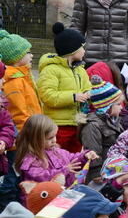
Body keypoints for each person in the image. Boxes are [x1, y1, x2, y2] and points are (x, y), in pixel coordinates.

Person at [37, 22, 92, 153]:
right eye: (82, 47)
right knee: (57, 156)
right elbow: (47, 95)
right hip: (58, 125)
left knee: (76, 156)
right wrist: (73, 97)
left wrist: (89, 93)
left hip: (78, 122)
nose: (84, 51)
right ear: (72, 50)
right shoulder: (51, 70)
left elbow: (87, 87)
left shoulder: (80, 70)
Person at [15, 114, 97, 192]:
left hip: (64, 194)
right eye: (50, 138)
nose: (54, 140)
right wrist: (64, 170)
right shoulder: (30, 160)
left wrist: (85, 156)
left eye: (55, 136)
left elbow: (72, 158)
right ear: (36, 139)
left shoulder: (56, 151)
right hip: (45, 200)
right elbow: (41, 177)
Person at [81, 76, 125, 183]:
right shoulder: (92, 126)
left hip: (114, 169)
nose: (121, 107)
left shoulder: (113, 120)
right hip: (102, 174)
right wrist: (96, 173)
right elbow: (92, 150)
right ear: (107, 106)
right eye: (118, 104)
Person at [0, 30, 41, 131]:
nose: (32, 55)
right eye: (28, 52)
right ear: (16, 57)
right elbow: (18, 115)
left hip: (33, 131)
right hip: (27, 135)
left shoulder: (23, 76)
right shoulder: (14, 81)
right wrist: (31, 136)